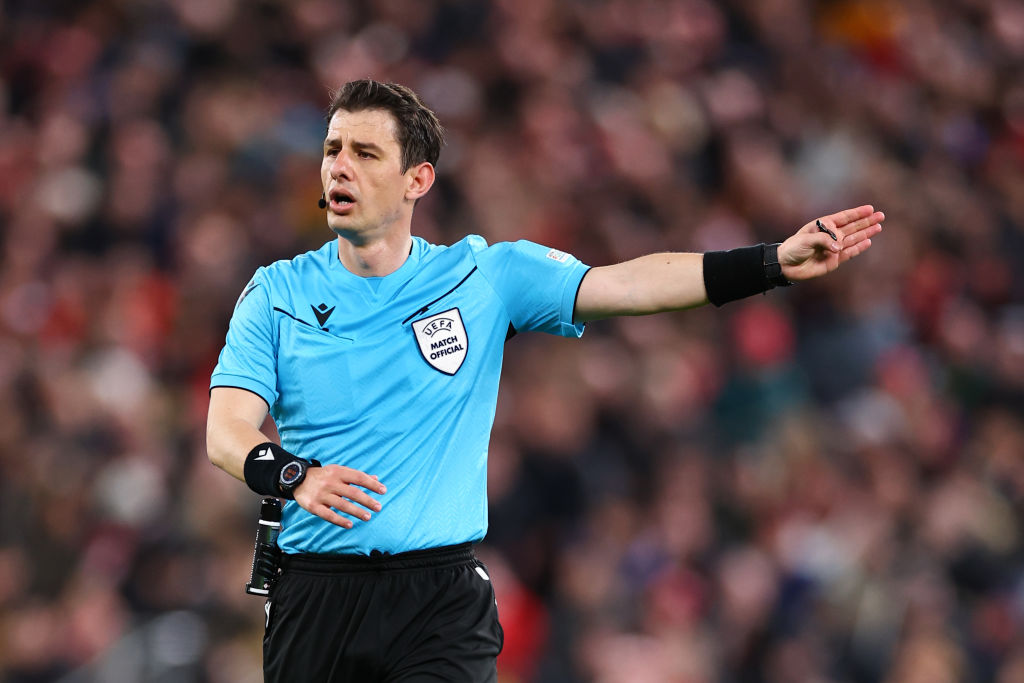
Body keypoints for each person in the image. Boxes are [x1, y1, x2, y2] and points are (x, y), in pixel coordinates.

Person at [206, 79, 883, 682]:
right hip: (315, 593)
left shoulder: (482, 276)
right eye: (332, 149)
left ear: (418, 180)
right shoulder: (276, 293)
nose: (339, 167)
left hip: (438, 594)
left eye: (365, 152)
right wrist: (296, 475)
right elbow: (227, 429)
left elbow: (631, 284)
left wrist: (772, 263)